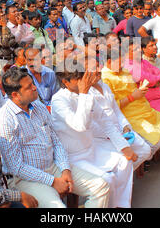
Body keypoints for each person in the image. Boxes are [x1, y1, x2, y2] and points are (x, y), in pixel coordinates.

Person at [0, 67, 110, 208]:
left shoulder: (38, 106)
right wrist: (53, 181)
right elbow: (16, 167)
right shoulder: (4, 119)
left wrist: (65, 169)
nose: (35, 88)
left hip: (53, 167)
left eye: (32, 83)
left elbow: (56, 141)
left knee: (101, 186)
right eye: (29, 87)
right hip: (24, 180)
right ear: (16, 95)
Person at [51, 67, 135, 208]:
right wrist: (84, 94)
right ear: (65, 81)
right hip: (74, 157)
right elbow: (80, 125)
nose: (83, 82)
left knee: (124, 161)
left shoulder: (86, 94)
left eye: (83, 78)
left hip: (92, 149)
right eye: (78, 79)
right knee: (108, 179)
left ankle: (119, 205)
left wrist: (124, 147)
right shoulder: (59, 100)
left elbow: (106, 122)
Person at [101, 46, 160, 157]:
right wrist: (132, 97)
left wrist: (140, 90)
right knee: (157, 140)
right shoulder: (105, 78)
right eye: (120, 62)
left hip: (145, 109)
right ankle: (147, 159)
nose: (122, 65)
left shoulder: (124, 71)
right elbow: (112, 106)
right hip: (131, 115)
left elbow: (132, 90)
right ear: (109, 61)